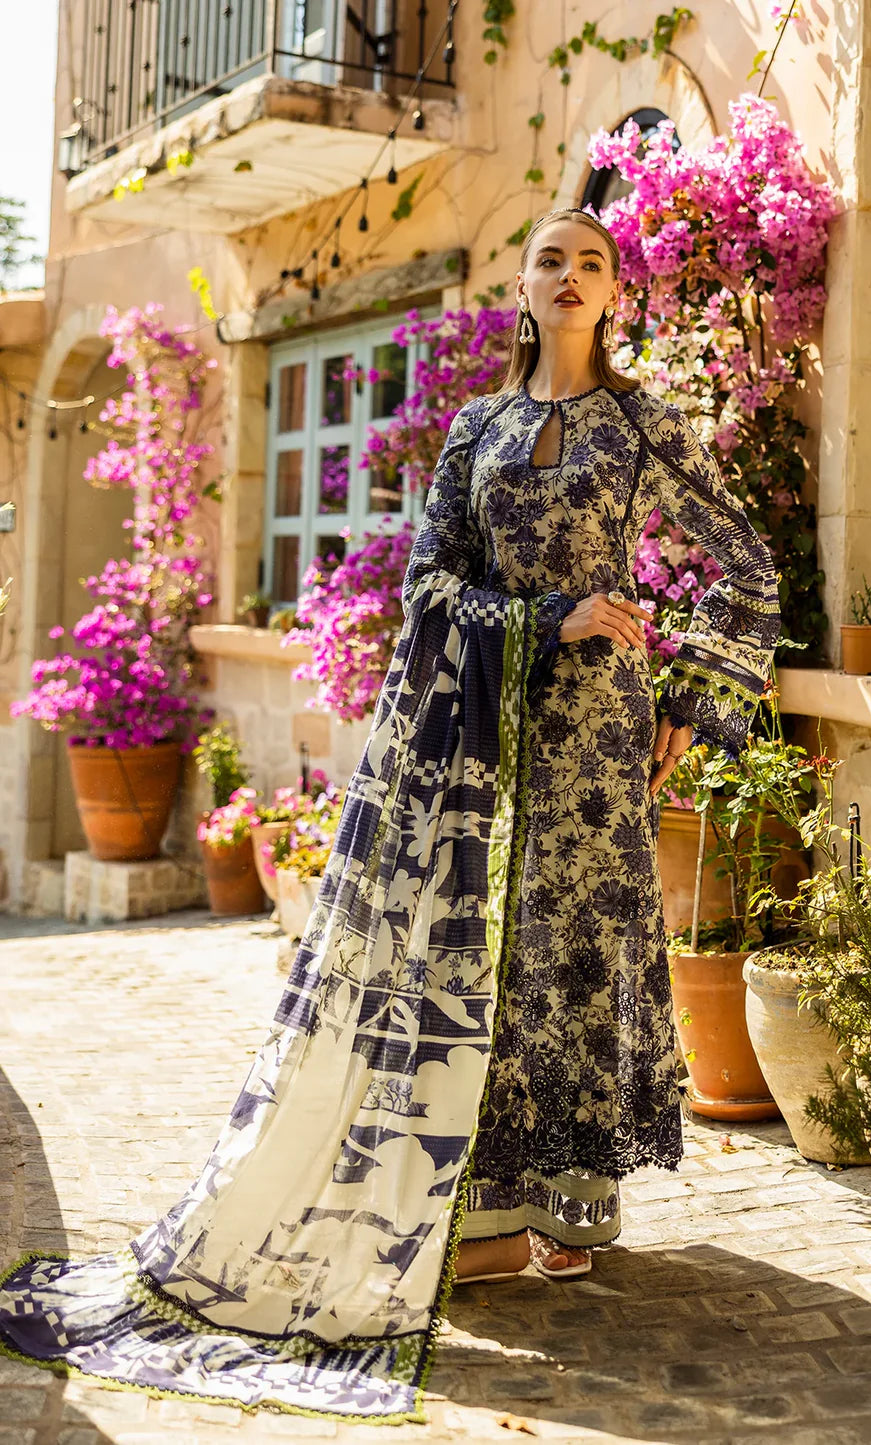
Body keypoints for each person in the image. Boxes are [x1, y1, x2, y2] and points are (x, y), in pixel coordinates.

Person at [0, 208, 779, 1425]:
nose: (570, 278)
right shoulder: (474, 428)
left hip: (592, 736)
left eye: (592, 263)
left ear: (616, 296)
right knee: (475, 952)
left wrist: (697, 692)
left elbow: (746, 559)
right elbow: (427, 583)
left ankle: (568, 1210)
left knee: (572, 944)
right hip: (481, 731)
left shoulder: (642, 426)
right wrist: (548, 616)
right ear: (521, 287)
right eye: (549, 260)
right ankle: (478, 1206)